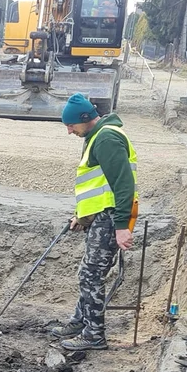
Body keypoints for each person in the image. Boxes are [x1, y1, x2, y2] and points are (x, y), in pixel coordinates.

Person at [50, 92, 137, 351]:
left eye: (71, 125)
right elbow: (99, 185)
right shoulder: (96, 136)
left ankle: (94, 335)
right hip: (101, 216)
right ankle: (80, 321)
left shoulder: (107, 138)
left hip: (112, 218)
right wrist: (83, 216)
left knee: (90, 276)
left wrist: (122, 226)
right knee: (90, 273)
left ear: (86, 119)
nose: (69, 131)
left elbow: (123, 184)